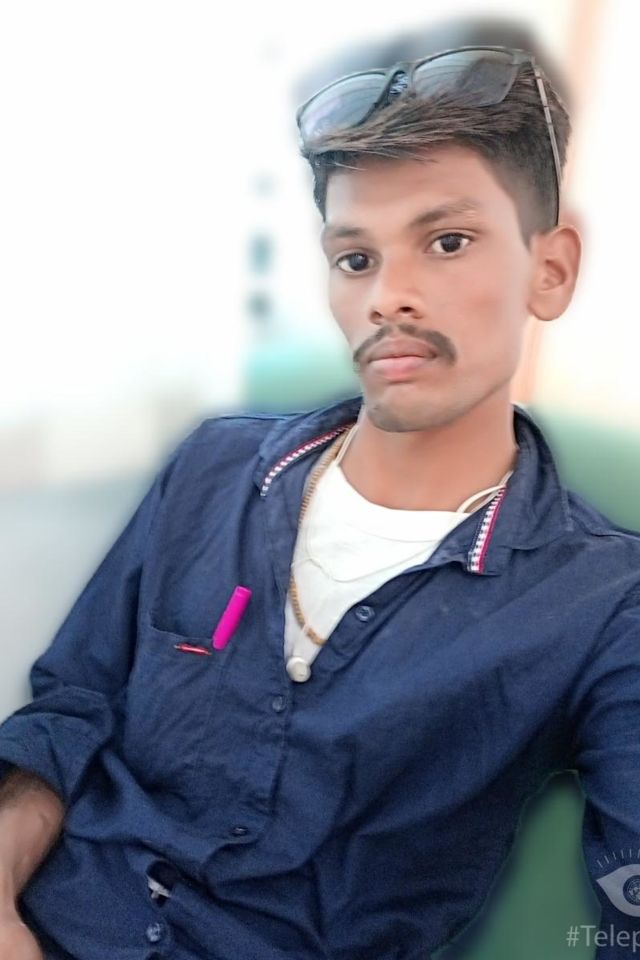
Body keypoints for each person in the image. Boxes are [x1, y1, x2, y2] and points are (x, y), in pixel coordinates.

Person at [0, 41, 639, 960]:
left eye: (447, 242)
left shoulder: (605, 604)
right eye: (355, 257)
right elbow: (71, 711)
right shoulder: (214, 469)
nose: (388, 297)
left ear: (551, 269)